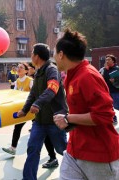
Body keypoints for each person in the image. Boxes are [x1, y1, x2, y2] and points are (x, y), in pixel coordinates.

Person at [53, 29, 119, 180]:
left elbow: (104, 116)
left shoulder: (87, 76)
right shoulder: (71, 74)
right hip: (75, 150)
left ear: (61, 54)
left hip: (99, 155)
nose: (54, 57)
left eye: (54, 53)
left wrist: (68, 118)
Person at [17, 43, 68, 180]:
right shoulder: (38, 73)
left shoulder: (52, 70)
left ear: (37, 56)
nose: (31, 56)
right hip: (39, 122)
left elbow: (52, 88)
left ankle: (84, 168)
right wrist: (24, 110)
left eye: (32, 53)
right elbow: (32, 94)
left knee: (63, 149)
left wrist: (38, 104)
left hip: (54, 121)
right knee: (33, 149)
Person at [2, 62, 33, 155]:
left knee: (41, 130)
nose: (18, 69)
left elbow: (35, 94)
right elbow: (15, 95)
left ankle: (52, 155)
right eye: (18, 67)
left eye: (21, 67)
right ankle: (13, 148)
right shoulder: (17, 81)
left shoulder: (30, 80)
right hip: (23, 109)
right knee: (17, 127)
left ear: (26, 71)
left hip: (32, 109)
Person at [101, 54, 118, 125]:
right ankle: (114, 118)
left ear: (113, 61)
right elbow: (100, 78)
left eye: (109, 60)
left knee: (117, 106)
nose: (107, 61)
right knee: (110, 106)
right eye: (106, 60)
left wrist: (115, 81)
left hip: (116, 91)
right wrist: (105, 69)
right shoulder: (104, 69)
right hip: (107, 91)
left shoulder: (117, 69)